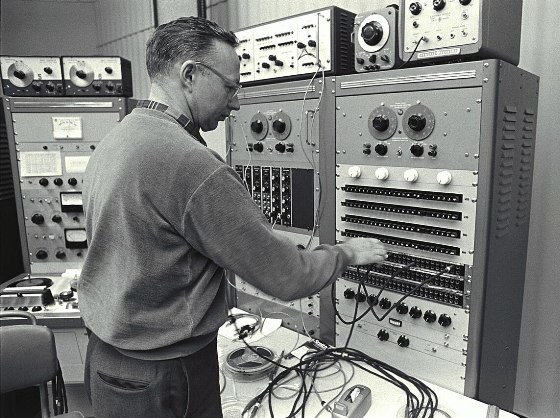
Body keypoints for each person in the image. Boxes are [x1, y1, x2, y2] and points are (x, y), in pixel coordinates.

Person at [79, 16, 387, 418]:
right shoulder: (190, 164)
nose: (237, 101)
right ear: (190, 75)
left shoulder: (117, 139)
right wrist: (346, 253)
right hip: (164, 374)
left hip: (107, 361)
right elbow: (287, 277)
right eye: (230, 87)